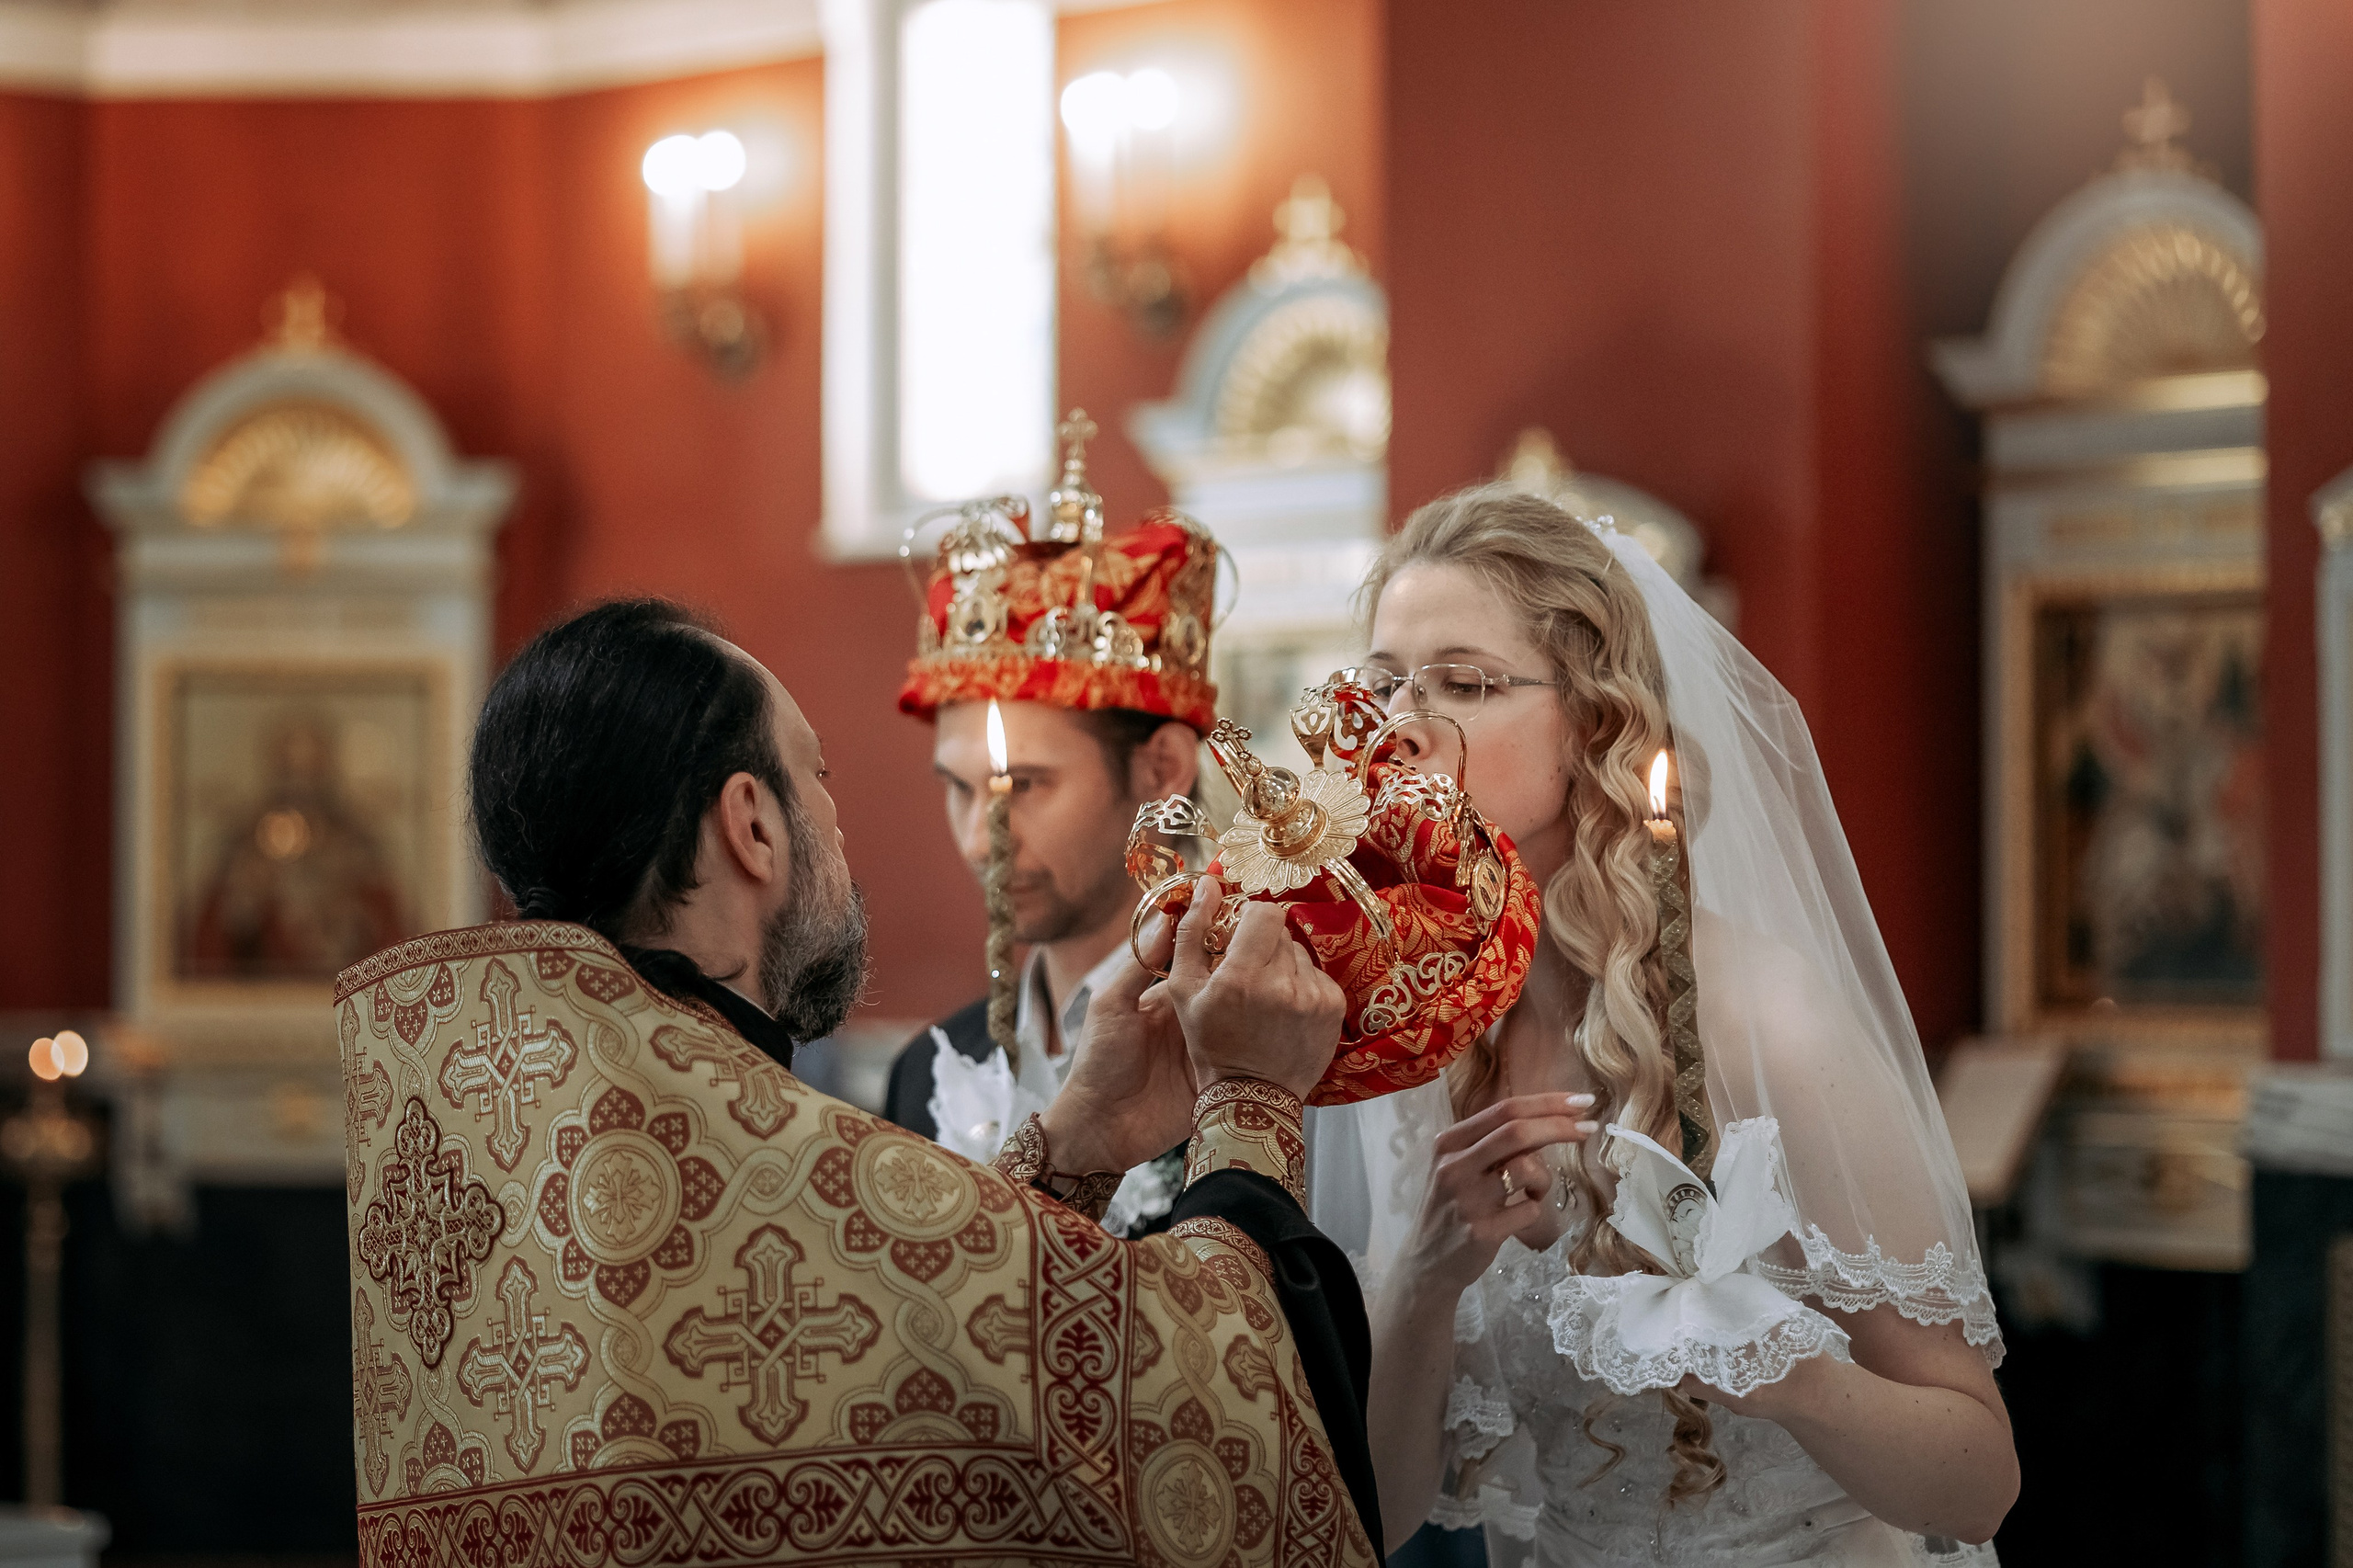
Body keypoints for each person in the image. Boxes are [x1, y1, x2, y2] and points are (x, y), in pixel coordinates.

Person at [339, 597, 1383, 1564]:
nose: (844, 827)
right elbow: (1216, 1420)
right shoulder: (787, 1171)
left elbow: (936, 1375)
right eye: (820, 775)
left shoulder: (473, 1165)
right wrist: (1249, 1098)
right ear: (751, 822)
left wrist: (1068, 1150)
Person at [1305, 486, 2018, 1565]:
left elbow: (1979, 1485)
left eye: (1464, 681)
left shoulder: (1763, 1019)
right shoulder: (1411, 1026)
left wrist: (1796, 1380)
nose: (1399, 725)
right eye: (1380, 683)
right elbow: (1379, 1517)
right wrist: (1422, 1285)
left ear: (1593, 720)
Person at [884, 411, 1215, 1236]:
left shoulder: (1244, 1054)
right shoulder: (927, 1069)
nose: (976, 840)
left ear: (1163, 768)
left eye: (1022, 784)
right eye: (958, 789)